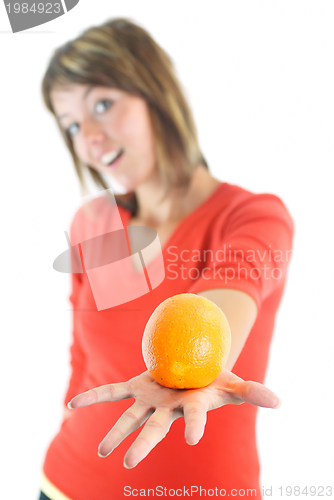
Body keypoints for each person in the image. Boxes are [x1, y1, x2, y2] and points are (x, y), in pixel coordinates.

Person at [38, 17, 294, 500]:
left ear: (155, 92)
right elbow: (82, 357)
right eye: (71, 124)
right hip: (65, 483)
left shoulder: (252, 217)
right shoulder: (93, 224)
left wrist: (195, 369)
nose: (89, 137)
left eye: (103, 104)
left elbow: (224, 299)